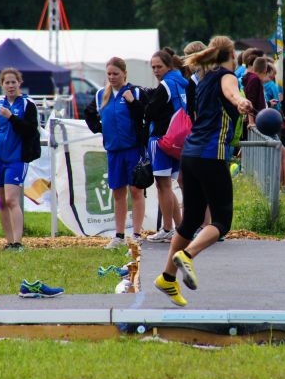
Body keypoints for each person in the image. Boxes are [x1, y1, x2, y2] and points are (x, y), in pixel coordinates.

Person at [153, 35, 253, 307]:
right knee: (221, 221)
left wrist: (237, 103)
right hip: (211, 155)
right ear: (231, 56)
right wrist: (240, 102)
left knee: (191, 220)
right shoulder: (227, 77)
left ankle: (167, 278)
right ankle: (187, 255)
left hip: (190, 155)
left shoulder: (203, 80)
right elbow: (232, 92)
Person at [83, 57, 147, 249]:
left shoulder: (134, 91)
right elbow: (89, 113)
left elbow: (144, 114)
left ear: (124, 74)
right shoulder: (101, 94)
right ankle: (119, 235)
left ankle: (137, 234)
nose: (112, 77)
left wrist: (132, 102)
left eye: (115, 74)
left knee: (136, 190)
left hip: (133, 149)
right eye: (109, 74)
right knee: (118, 192)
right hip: (113, 151)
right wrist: (101, 129)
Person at [0, 67, 40, 252]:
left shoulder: (27, 104)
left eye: (13, 82)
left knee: (11, 200)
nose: (10, 86)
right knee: (1, 201)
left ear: (19, 83)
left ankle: (18, 242)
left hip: (16, 158)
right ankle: (8, 242)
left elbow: (30, 130)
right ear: (2, 85)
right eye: (7, 82)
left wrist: (12, 117)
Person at [144, 50, 188, 242]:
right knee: (168, 186)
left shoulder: (165, 85)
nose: (156, 70)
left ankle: (167, 228)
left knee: (163, 186)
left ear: (169, 66)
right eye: (153, 67)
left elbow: (150, 112)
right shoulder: (182, 82)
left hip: (162, 139)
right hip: (178, 140)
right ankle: (180, 227)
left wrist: (139, 103)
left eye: (159, 67)